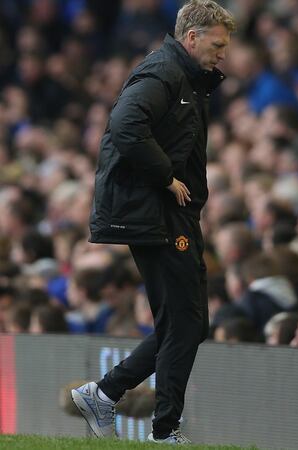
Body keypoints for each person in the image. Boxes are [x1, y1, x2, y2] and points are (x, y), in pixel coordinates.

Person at [72, 1, 235, 444]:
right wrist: (166, 177)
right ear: (192, 37)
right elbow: (126, 125)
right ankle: (164, 432)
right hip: (155, 213)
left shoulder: (183, 77)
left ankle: (103, 393)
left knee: (187, 325)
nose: (224, 54)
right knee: (184, 323)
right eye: (218, 44)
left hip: (167, 213)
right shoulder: (163, 73)